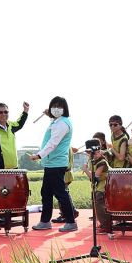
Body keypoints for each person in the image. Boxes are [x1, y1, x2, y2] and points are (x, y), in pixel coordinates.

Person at [30, 97, 77, 232]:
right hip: (52, 163)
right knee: (46, 192)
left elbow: (53, 143)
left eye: (59, 106)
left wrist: (39, 155)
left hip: (56, 163)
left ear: (64, 108)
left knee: (60, 193)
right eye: (53, 106)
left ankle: (70, 221)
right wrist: (49, 117)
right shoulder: (58, 121)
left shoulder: (62, 123)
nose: (56, 108)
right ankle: (45, 221)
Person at [0, 101, 30, 170]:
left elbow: (19, 123)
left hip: (13, 167)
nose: (3, 114)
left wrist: (25, 111)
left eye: (6, 112)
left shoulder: (11, 125)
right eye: (0, 112)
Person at [81, 137, 110, 233]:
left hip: (105, 186)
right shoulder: (93, 161)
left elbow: (95, 177)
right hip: (99, 186)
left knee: (99, 203)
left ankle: (106, 225)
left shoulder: (102, 162)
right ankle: (103, 224)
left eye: (92, 153)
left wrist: (85, 170)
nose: (90, 155)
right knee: (97, 203)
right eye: (89, 153)